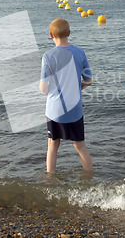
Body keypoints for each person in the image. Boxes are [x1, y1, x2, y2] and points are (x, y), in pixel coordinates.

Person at [39, 18, 93, 173]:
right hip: (75, 109)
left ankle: (50, 180)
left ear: (51, 35)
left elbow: (43, 88)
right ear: (69, 33)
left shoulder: (48, 56)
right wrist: (78, 86)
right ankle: (89, 179)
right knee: (80, 145)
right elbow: (89, 81)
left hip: (54, 110)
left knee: (52, 145)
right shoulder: (80, 53)